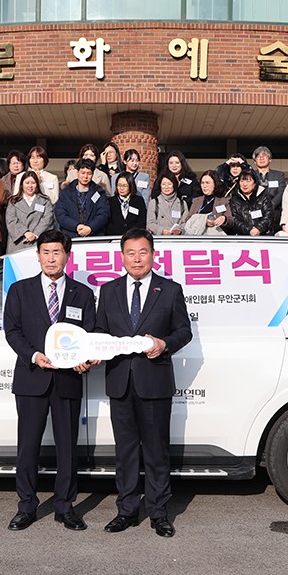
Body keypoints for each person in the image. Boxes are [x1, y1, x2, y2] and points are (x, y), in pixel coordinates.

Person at [94, 228, 192, 537]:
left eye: (143, 252)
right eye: (131, 253)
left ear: (153, 254)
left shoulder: (170, 290)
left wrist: (164, 344)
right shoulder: (108, 291)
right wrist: (96, 350)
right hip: (120, 381)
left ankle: (159, 512)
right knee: (125, 452)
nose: (137, 258)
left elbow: (184, 331)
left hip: (154, 381)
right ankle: (126, 510)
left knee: (156, 451)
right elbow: (100, 331)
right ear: (122, 257)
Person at [3, 230, 96, 532]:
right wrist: (33, 356)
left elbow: (90, 334)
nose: (51, 258)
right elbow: (12, 331)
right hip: (32, 377)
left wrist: (84, 357)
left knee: (67, 447)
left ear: (67, 256)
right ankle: (26, 506)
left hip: (68, 379)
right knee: (28, 446)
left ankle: (65, 507)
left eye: (57, 252)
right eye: (45, 252)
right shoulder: (20, 290)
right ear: (38, 255)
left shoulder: (83, 294)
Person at [56, 158, 110, 239]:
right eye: (83, 173)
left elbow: (103, 214)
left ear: (93, 174)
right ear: (77, 173)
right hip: (70, 236)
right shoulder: (66, 192)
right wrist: (76, 226)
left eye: (89, 173)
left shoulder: (99, 192)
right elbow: (61, 214)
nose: (85, 176)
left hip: (94, 236)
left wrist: (90, 228)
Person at [4, 170, 53, 254]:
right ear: (22, 184)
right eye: (27, 183)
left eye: (33, 183)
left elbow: (47, 219)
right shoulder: (13, 201)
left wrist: (35, 234)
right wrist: (25, 232)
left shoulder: (45, 201)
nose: (30, 186)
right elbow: (11, 220)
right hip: (18, 243)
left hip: (38, 242)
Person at [227, 167, 274, 237]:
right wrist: (249, 230)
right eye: (242, 181)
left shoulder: (264, 196)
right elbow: (234, 219)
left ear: (255, 183)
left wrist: (259, 228)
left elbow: (269, 215)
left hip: (264, 236)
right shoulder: (234, 199)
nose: (244, 184)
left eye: (248, 181)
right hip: (242, 237)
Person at [184, 169, 232, 236]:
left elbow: (231, 221)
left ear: (215, 184)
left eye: (207, 183)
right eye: (202, 183)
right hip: (197, 237)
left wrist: (224, 219)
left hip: (215, 238)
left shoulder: (223, 201)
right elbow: (188, 220)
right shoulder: (196, 201)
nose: (204, 186)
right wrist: (203, 221)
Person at [148, 171, 190, 236]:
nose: (166, 187)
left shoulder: (182, 204)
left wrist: (180, 230)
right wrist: (162, 230)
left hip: (177, 239)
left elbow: (185, 223)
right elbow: (150, 223)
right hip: (159, 239)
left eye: (169, 184)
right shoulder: (154, 203)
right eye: (163, 184)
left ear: (174, 185)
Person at [252, 146, 286, 221]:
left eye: (264, 156)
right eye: (258, 157)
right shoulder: (250, 175)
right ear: (255, 161)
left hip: (275, 213)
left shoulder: (279, 175)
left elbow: (281, 192)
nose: (261, 158)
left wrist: (269, 206)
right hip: (255, 213)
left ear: (270, 159)